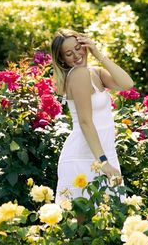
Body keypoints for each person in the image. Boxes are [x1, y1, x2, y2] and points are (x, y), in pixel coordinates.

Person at [51, 28, 135, 204]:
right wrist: (103, 162)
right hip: (86, 156)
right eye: (68, 53)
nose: (76, 55)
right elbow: (85, 122)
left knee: (106, 220)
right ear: (62, 59)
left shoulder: (94, 72)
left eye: (78, 47)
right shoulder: (79, 75)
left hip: (103, 154)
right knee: (86, 224)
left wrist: (98, 53)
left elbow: (127, 84)